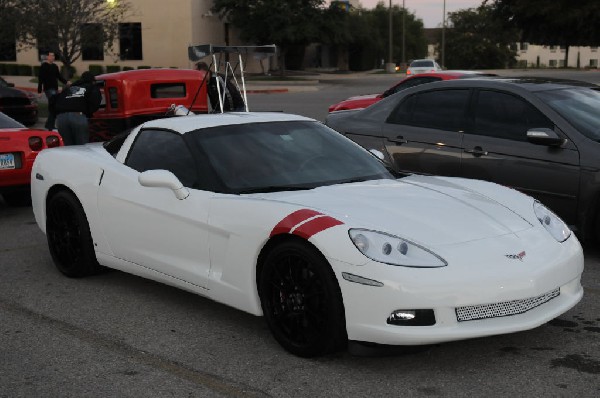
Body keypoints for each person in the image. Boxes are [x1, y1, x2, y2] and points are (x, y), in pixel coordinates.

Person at [54, 72, 101, 145]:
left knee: (68, 147)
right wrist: (88, 113)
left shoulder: (70, 88)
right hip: (78, 116)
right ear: (92, 80)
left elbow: (56, 100)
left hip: (61, 118)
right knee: (82, 147)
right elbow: (95, 102)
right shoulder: (91, 87)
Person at [37, 51, 70, 130]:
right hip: (48, 89)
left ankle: (49, 125)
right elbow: (40, 79)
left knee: (53, 107)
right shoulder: (44, 66)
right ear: (47, 57)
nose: (52, 57)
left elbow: (59, 76)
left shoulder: (55, 66)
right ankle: (49, 125)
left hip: (55, 88)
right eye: (51, 56)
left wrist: (66, 82)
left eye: (54, 56)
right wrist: (39, 91)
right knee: (54, 106)